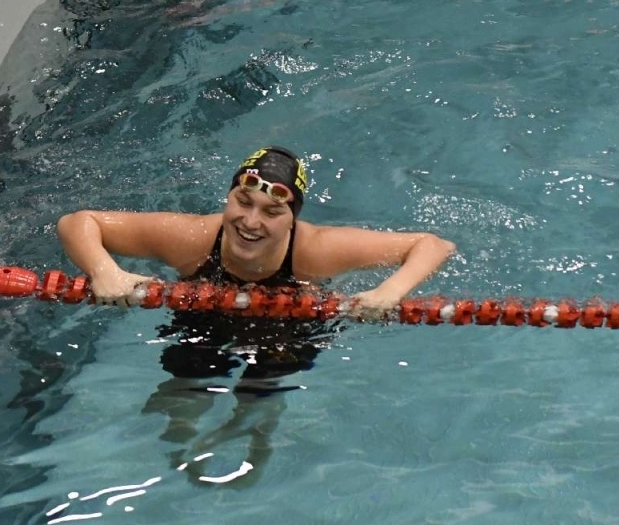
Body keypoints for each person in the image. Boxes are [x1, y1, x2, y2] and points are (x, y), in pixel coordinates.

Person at [58, 147, 454, 482]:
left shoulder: (316, 250)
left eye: (272, 211)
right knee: (187, 381)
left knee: (261, 392)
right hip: (206, 311)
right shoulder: (192, 239)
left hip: (291, 320)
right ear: (229, 198)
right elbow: (78, 222)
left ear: (292, 218)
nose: (250, 222)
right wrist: (104, 271)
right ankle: (174, 443)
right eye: (243, 202)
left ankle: (256, 433)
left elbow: (434, 245)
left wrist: (389, 292)